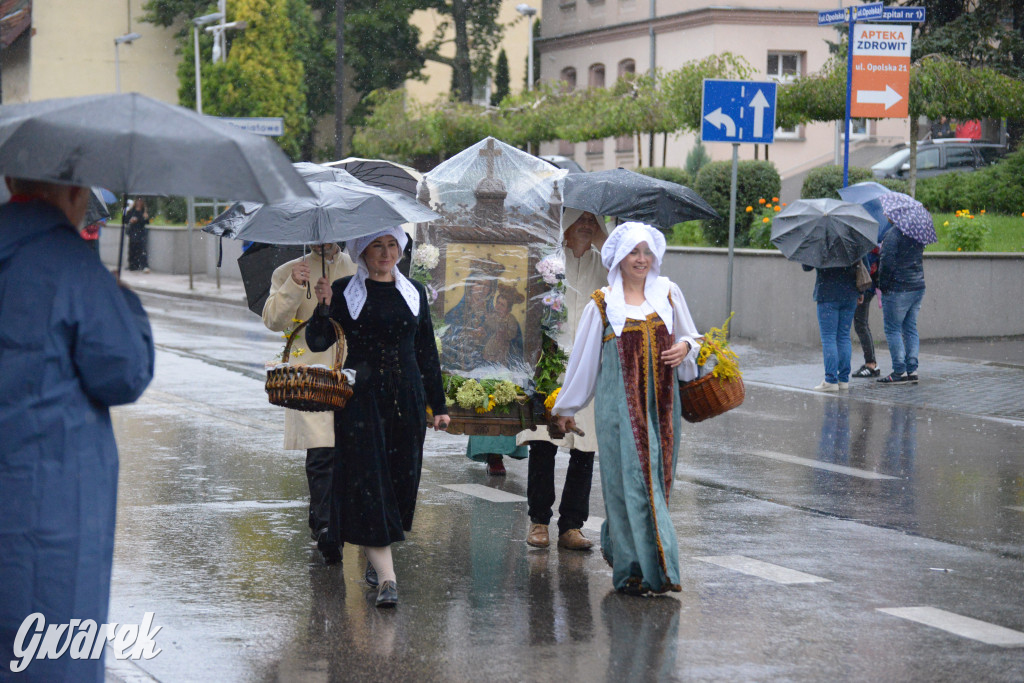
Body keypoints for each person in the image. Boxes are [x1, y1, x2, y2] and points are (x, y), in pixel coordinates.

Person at [0, 177, 154, 681]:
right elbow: (123, 372)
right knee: (50, 642)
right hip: (54, 493)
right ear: (75, 194)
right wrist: (124, 301)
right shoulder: (72, 266)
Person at [552, 222, 700, 595]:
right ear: (618, 257)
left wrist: (686, 348)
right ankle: (651, 570)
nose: (641, 259)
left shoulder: (668, 294)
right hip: (619, 412)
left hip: (663, 408)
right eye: (634, 252)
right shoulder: (602, 304)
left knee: (657, 484)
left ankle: (627, 553)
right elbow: (584, 363)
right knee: (632, 483)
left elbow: (692, 338)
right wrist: (567, 406)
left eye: (646, 252)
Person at [308, 226, 450, 608]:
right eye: (376, 246)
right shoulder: (343, 292)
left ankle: (376, 549)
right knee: (371, 482)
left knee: (402, 482)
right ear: (362, 252)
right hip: (361, 401)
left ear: (401, 250)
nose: (385, 253)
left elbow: (426, 353)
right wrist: (322, 306)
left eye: (391, 245)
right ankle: (388, 578)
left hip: (407, 399)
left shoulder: (414, 292)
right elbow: (319, 342)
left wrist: (439, 406)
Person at [263, 243, 356, 564]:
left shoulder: (358, 268)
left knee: (350, 453)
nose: (325, 242)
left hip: (351, 374)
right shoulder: (288, 271)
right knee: (320, 454)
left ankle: (347, 521)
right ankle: (325, 527)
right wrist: (294, 285)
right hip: (309, 378)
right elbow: (273, 321)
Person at [520, 209, 608, 551]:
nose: (587, 224)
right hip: (550, 364)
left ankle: (572, 525)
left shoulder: (607, 266)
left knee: (584, 448)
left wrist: (605, 241)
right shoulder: (549, 262)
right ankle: (539, 520)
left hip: (589, 365)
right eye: (580, 219)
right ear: (565, 225)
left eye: (593, 220)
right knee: (544, 443)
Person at [877, 225, 925, 384]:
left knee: (892, 329)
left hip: (898, 289)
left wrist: (882, 284)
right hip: (917, 286)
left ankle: (899, 371)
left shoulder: (892, 234)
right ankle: (912, 369)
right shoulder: (916, 232)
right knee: (910, 327)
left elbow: (887, 262)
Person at [802, 262, 860, 392]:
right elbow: (864, 265)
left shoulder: (822, 242)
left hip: (827, 293)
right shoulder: (853, 241)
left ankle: (831, 380)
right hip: (850, 293)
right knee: (844, 336)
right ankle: (843, 379)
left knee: (829, 338)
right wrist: (860, 291)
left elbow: (807, 266)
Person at [852, 248, 881, 378]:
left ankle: (871, 364)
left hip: (864, 286)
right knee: (861, 324)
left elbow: (867, 264)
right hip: (866, 285)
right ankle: (871, 363)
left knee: (861, 324)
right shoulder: (869, 238)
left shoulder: (867, 244)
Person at [125, 195, 150, 272]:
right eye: (138, 201)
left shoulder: (144, 212)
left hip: (140, 232)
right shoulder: (131, 211)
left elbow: (146, 222)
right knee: (132, 248)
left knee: (142, 249)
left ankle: (143, 265)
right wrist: (131, 220)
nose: (139, 203)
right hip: (133, 231)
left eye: (140, 201)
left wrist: (143, 218)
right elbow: (126, 219)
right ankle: (132, 265)